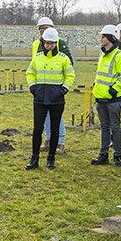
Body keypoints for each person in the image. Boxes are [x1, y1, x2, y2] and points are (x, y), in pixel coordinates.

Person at [26, 27, 75, 169]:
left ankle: (51, 158)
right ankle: (34, 159)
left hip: (56, 99)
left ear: (56, 43)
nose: (50, 46)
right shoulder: (38, 57)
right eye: (48, 43)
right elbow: (30, 73)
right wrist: (33, 87)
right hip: (40, 98)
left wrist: (64, 89)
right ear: (43, 42)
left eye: (53, 43)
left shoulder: (63, 59)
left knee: (54, 129)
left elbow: (70, 75)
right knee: (37, 129)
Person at [90, 25, 121, 166]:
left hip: (113, 99)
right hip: (101, 98)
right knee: (105, 127)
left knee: (115, 127)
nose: (101, 39)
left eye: (103, 36)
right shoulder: (102, 54)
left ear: (111, 38)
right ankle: (104, 155)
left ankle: (117, 156)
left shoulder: (119, 55)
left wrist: (114, 90)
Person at [34, 15, 72, 149]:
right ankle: (48, 140)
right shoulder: (37, 44)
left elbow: (68, 64)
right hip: (42, 88)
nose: (43, 31)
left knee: (57, 116)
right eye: (41, 29)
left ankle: (60, 142)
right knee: (44, 117)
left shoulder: (60, 43)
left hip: (56, 88)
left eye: (45, 28)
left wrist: (62, 88)